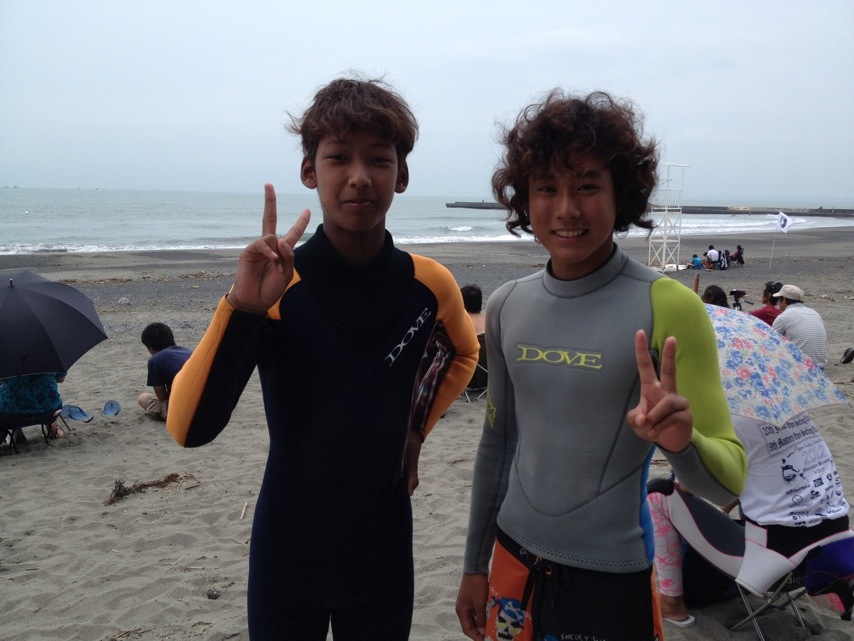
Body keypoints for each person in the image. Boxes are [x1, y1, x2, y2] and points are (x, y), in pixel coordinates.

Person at [166, 76, 479, 640]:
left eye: (378, 159)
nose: (359, 176)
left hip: (383, 549)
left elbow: (462, 354)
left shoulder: (429, 285)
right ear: (309, 171)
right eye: (338, 157)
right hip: (289, 550)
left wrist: (415, 430)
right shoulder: (275, 289)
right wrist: (241, 307)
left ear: (401, 176)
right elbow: (189, 428)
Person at [454, 89, 746, 641]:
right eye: (547, 188)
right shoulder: (508, 304)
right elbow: (496, 445)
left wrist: (681, 443)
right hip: (511, 563)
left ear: (621, 195)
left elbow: (727, 482)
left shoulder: (669, 305)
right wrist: (474, 565)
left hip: (610, 580)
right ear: (525, 200)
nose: (567, 208)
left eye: (588, 185)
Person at [647, 411, 852, 624]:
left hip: (775, 564)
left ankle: (672, 604)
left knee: (658, 492)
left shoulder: (726, 422)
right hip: (832, 551)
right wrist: (724, 511)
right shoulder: (797, 415)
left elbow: (689, 486)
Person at [137, 322, 192, 420]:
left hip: (183, 411)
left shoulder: (155, 360)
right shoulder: (189, 352)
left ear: (150, 346)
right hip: (202, 403)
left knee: (142, 397)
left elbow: (161, 397)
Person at [772, 284, 828, 368]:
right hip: (820, 366)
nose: (778, 302)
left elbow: (771, 341)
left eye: (779, 299)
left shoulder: (784, 316)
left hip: (800, 366)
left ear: (784, 299)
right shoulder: (814, 313)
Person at [0, 371, 67, 439]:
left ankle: (17, 431)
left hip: (12, 416)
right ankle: (51, 425)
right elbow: (61, 379)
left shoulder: (6, 364)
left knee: (14, 397)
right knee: (46, 395)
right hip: (50, 411)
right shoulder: (51, 363)